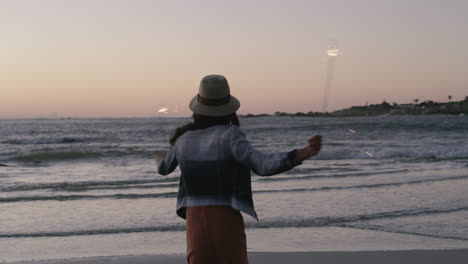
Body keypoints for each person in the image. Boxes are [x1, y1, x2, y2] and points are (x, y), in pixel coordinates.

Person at [157, 74, 322, 264]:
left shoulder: (182, 140)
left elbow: (163, 168)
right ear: (228, 109)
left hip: (194, 220)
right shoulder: (230, 135)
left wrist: (159, 158)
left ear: (198, 108)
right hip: (224, 217)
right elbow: (261, 164)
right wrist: (300, 154)